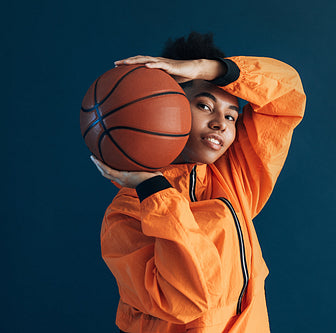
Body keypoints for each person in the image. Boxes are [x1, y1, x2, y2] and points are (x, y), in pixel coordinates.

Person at [91, 32, 306, 333]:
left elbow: (286, 92)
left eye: (232, 116)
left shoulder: (234, 178)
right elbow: (189, 297)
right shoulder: (126, 216)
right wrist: (155, 191)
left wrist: (207, 69)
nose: (220, 122)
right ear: (170, 105)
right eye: (204, 106)